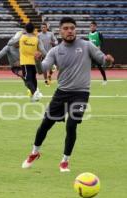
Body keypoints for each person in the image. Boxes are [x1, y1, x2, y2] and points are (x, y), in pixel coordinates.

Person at [21, 17, 114, 172]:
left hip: (81, 93)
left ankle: (65, 161)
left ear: (75, 30)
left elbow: (103, 61)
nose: (69, 31)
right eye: (66, 28)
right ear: (60, 31)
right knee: (45, 125)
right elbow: (41, 69)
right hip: (62, 93)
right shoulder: (55, 51)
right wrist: (37, 61)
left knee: (71, 125)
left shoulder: (86, 45)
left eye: (72, 28)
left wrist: (109, 61)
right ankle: (34, 153)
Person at [18, 22, 44, 102]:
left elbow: (12, 42)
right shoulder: (36, 39)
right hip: (34, 62)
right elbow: (42, 50)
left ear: (25, 29)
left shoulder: (22, 38)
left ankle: (36, 93)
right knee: (33, 78)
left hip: (25, 62)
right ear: (33, 30)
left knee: (27, 80)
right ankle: (34, 96)